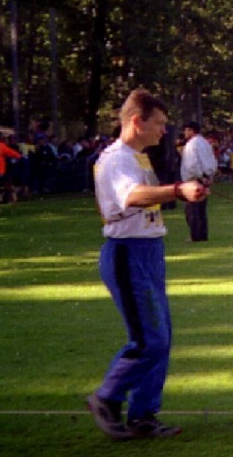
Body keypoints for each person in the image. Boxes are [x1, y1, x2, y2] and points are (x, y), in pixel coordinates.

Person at [88, 88, 208, 439]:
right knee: (149, 339)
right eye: (158, 123)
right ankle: (107, 398)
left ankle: (143, 414)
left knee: (161, 337)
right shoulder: (117, 159)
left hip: (149, 250)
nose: (163, 131)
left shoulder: (137, 158)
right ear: (138, 122)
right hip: (128, 253)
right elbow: (132, 196)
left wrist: (183, 191)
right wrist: (177, 191)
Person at [180, 121, 217, 242]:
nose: (184, 133)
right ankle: (203, 234)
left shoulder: (191, 144)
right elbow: (212, 161)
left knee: (192, 209)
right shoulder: (205, 143)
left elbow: (192, 164)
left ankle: (195, 235)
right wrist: (209, 176)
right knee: (201, 209)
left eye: (186, 130)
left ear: (191, 130)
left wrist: (199, 176)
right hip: (205, 177)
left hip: (194, 179)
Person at [0, 131, 22, 204]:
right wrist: (19, 157)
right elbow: (14, 154)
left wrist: (18, 156)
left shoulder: (0, 146)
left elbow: (13, 153)